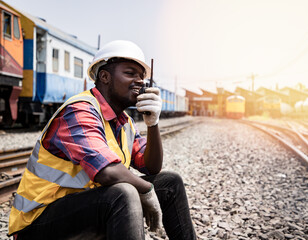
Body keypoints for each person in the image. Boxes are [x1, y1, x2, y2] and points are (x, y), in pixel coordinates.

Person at [8, 40, 196, 240]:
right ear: (105, 77)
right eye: (130, 73)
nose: (140, 81)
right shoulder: (80, 110)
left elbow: (151, 167)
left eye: (142, 76)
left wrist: (153, 123)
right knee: (125, 193)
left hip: (82, 211)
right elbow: (107, 173)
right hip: (37, 225)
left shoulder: (124, 123)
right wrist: (146, 190)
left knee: (170, 183)